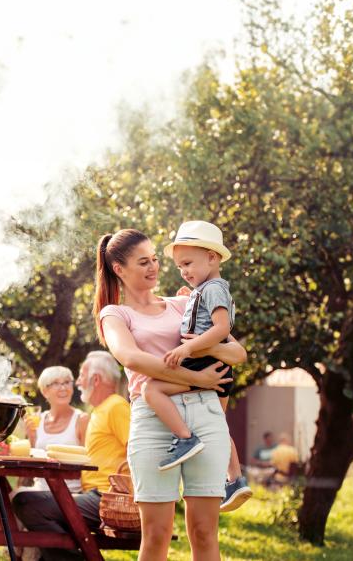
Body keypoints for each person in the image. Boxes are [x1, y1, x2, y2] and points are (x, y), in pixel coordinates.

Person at [94, 228, 247, 560]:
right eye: (143, 262)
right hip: (153, 421)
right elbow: (133, 358)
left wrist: (204, 361)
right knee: (156, 535)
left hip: (204, 415)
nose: (153, 268)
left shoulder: (184, 304)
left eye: (155, 260)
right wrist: (197, 376)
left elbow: (236, 355)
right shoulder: (115, 315)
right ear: (119, 269)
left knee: (205, 533)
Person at [140, 220, 253, 511]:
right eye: (180, 267)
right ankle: (235, 480)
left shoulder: (214, 289)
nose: (184, 271)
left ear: (212, 257)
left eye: (188, 263)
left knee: (152, 389)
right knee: (219, 423)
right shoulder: (205, 289)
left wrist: (187, 347)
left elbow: (220, 328)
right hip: (216, 366)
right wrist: (188, 299)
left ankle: (185, 438)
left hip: (204, 363)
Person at [12, 351, 130, 561]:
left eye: (81, 377)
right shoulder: (100, 411)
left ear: (95, 379)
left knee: (26, 503)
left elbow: (136, 451)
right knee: (23, 500)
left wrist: (126, 494)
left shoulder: (116, 406)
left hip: (105, 498)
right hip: (92, 494)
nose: (77, 383)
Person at [25, 365, 89, 493]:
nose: (63, 388)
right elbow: (31, 460)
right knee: (8, 498)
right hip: (39, 489)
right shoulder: (36, 420)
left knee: (16, 499)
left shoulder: (82, 419)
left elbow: (87, 463)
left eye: (67, 382)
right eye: (55, 383)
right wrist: (29, 436)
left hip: (71, 492)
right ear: (44, 391)